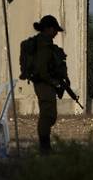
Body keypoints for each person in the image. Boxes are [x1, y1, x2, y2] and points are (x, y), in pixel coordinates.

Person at [31, 15, 67, 154]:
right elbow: (42, 69)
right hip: (44, 83)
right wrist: (53, 82)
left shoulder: (45, 43)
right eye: (54, 29)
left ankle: (45, 146)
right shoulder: (43, 45)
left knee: (50, 114)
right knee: (47, 115)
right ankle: (44, 147)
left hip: (45, 82)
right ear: (48, 29)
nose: (56, 32)